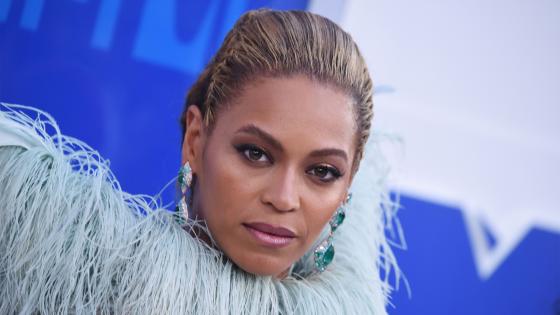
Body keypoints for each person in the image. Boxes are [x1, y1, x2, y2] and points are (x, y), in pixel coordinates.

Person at [0, 9, 400, 314]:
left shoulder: (351, 299)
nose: (284, 198)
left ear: (349, 185)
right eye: (255, 153)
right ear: (195, 139)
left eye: (322, 172)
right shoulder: (82, 272)